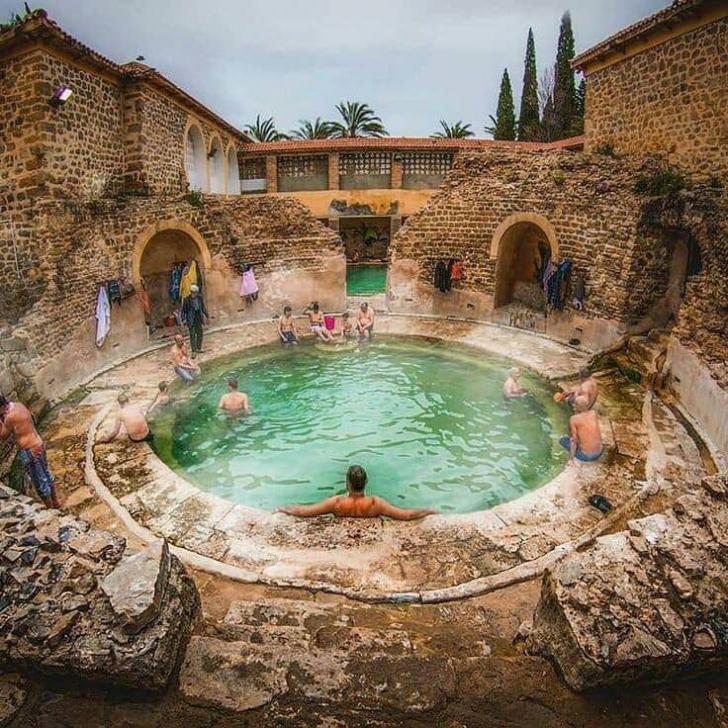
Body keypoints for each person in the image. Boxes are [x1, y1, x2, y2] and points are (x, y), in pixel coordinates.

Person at [277, 465, 436, 520]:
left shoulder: (337, 503)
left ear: (347, 483)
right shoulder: (375, 504)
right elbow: (405, 515)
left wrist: (283, 509)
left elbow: (305, 511)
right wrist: (428, 511)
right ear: (366, 482)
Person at [0, 393, 61, 508]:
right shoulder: (18, 406)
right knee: (46, 475)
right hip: (38, 444)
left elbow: (3, 436)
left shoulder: (10, 417)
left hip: (30, 451)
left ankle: (51, 510)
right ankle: (56, 503)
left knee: (39, 484)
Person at [559, 398, 604, 465]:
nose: (573, 406)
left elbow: (574, 441)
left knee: (562, 440)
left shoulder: (574, 419)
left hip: (587, 456)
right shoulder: (593, 413)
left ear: (577, 407)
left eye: (575, 405)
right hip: (600, 451)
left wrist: (571, 458)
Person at [181, 284, 208, 356]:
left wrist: (206, 315)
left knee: (200, 333)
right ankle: (193, 350)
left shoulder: (199, 298)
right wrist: (183, 319)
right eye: (194, 292)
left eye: (196, 292)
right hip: (191, 318)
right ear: (191, 292)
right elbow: (184, 310)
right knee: (192, 334)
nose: (196, 293)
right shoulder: (187, 300)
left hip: (198, 317)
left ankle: (198, 348)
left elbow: (202, 307)